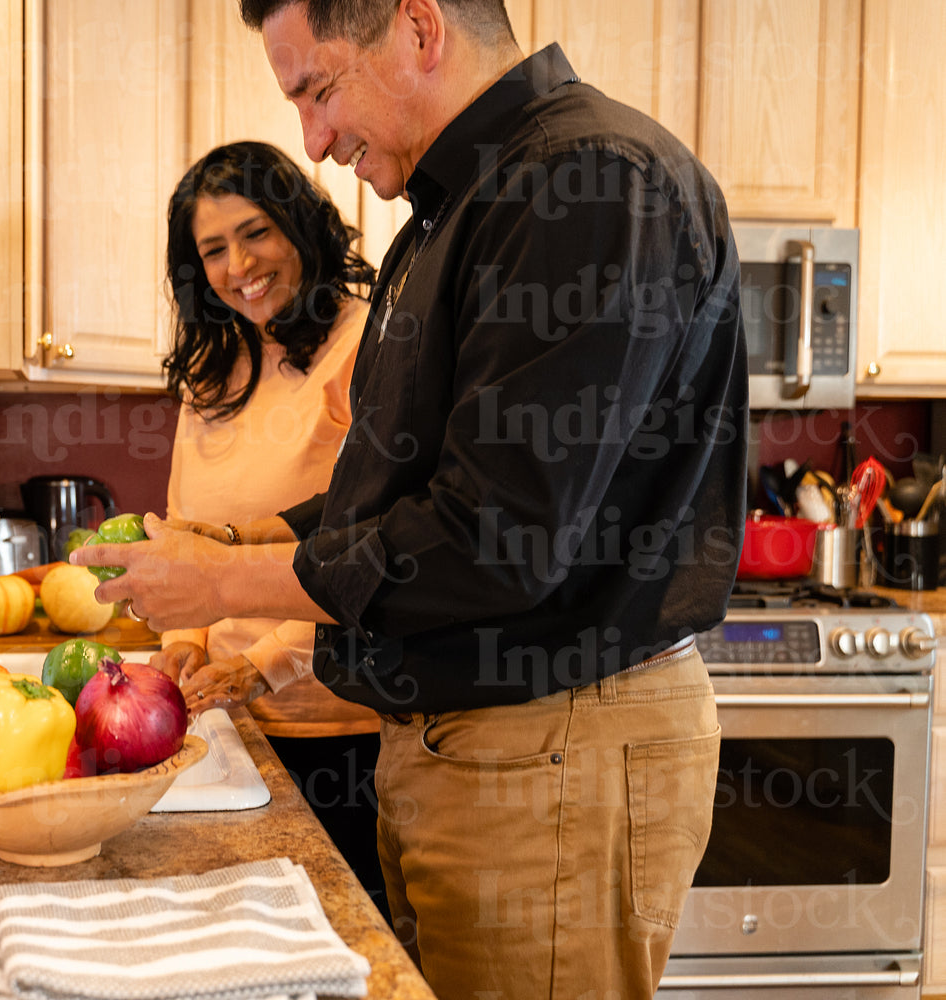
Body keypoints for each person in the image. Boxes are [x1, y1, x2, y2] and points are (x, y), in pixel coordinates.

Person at [73, 1, 748, 997]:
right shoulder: (457, 213)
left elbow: (494, 538)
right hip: (480, 747)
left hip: (550, 745)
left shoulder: (584, 184)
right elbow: (403, 492)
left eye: (319, 88)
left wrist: (225, 579)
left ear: (419, 27)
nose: (312, 136)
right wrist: (237, 536)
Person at [150, 140, 388, 916]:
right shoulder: (211, 377)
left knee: (345, 944)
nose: (237, 265)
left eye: (255, 232)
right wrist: (182, 651)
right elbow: (188, 536)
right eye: (212, 249)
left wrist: (262, 664)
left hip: (342, 731)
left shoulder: (365, 346)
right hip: (226, 732)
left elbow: (373, 542)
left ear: (300, 225)